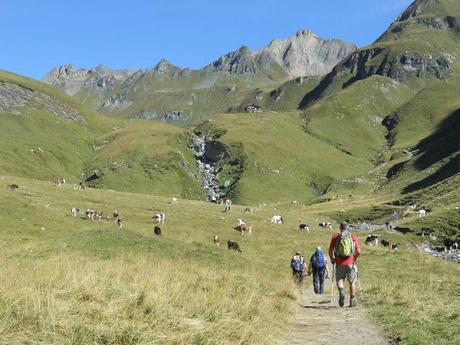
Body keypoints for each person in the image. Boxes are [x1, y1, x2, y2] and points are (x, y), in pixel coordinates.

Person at [328, 222, 361, 307]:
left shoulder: (336, 236)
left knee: (340, 279)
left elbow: (330, 249)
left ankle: (341, 292)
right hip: (351, 263)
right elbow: (358, 251)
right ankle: (352, 299)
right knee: (352, 281)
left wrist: (332, 259)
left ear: (340, 227)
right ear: (348, 227)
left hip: (339, 262)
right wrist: (354, 258)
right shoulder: (352, 236)